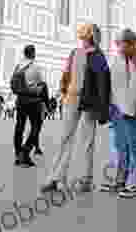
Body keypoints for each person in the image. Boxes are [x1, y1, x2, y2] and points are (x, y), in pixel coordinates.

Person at [41, 24, 111, 194]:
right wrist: (63, 91)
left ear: (91, 35)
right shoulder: (75, 53)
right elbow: (66, 74)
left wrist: (103, 107)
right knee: (65, 138)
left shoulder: (98, 56)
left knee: (87, 140)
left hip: (89, 103)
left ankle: (85, 180)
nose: (81, 32)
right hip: (71, 99)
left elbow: (103, 83)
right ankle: (56, 178)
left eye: (86, 30)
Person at [103, 28, 136, 199]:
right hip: (117, 108)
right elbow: (113, 84)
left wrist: (129, 110)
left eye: (120, 42)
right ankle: (120, 180)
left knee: (135, 146)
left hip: (131, 109)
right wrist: (110, 107)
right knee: (121, 146)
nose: (116, 44)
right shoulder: (118, 59)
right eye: (116, 41)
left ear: (129, 44)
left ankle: (135, 184)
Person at [12, 44, 49, 168]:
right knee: (36, 126)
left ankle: (18, 154)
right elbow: (42, 85)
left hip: (21, 101)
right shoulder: (36, 67)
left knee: (19, 127)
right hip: (33, 102)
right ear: (33, 53)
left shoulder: (18, 66)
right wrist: (46, 103)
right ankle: (25, 152)